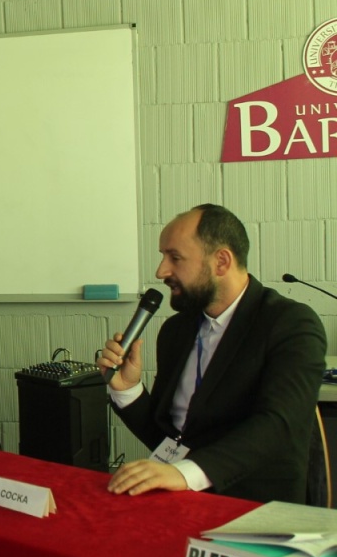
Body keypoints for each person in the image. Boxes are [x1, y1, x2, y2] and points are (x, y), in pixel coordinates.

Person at [97, 204, 327, 504]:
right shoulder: (175, 331)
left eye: (175, 257)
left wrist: (185, 474)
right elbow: (171, 439)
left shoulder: (290, 323)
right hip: (179, 498)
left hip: (255, 508)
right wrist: (128, 390)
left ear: (221, 262)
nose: (161, 271)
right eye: (163, 256)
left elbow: (278, 424)